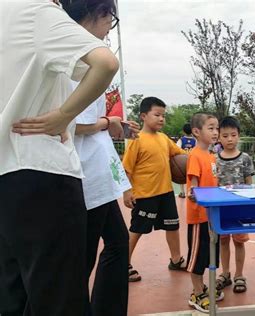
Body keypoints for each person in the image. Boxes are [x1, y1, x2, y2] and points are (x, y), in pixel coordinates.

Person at [0, 1, 119, 315]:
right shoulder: (35, 12)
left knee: (13, 298)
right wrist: (64, 115)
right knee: (59, 300)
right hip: (41, 171)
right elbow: (104, 63)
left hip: (6, 175)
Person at [57, 1, 139, 314]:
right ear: (99, 13)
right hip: (83, 175)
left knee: (117, 245)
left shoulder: (86, 54)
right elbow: (68, 121)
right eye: (110, 19)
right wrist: (108, 123)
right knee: (83, 257)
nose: (109, 29)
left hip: (98, 174)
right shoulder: (75, 57)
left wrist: (112, 125)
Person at [122, 97, 187, 282]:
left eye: (163, 116)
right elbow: (126, 168)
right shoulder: (136, 140)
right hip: (145, 195)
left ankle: (176, 259)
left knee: (172, 226)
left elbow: (180, 156)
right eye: (157, 115)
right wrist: (127, 191)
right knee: (137, 229)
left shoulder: (164, 138)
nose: (161, 119)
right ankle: (123, 264)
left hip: (166, 192)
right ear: (143, 116)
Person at [186, 113, 224, 313]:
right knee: (197, 257)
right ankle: (197, 293)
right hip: (198, 216)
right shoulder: (195, 155)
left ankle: (202, 288)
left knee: (210, 254)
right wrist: (194, 195)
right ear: (196, 132)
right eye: (211, 128)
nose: (216, 132)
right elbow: (192, 186)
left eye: (216, 128)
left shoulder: (211, 156)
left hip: (211, 215)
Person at [215, 116, 255, 294]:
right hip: (221, 209)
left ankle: (239, 275)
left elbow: (249, 183)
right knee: (223, 241)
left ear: (239, 135)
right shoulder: (214, 159)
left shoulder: (245, 158)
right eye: (225, 135)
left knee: (239, 242)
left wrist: (249, 204)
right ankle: (225, 274)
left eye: (233, 135)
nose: (229, 139)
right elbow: (212, 183)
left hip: (240, 209)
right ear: (219, 137)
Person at [176, 123, 196, 198]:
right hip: (192, 161)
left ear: (183, 131)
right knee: (191, 178)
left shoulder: (181, 140)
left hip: (182, 162)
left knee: (181, 176)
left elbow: (177, 149)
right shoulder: (195, 141)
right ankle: (191, 192)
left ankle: (182, 192)